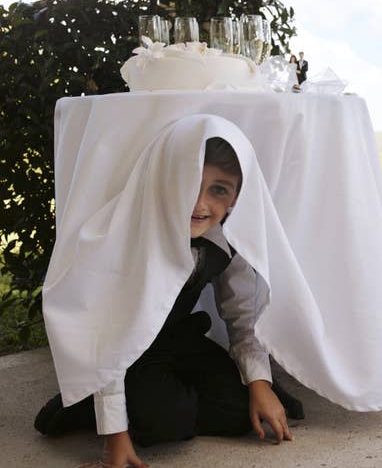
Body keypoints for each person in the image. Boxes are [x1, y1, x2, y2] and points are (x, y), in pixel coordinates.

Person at [35, 117, 303, 467]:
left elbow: (242, 314)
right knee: (166, 422)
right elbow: (106, 334)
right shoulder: (129, 235)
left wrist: (259, 381)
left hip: (178, 339)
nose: (200, 205)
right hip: (126, 349)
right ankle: (90, 402)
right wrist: (115, 433)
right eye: (189, 183)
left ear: (238, 195)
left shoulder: (227, 239)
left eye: (219, 190)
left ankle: (160, 401)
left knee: (250, 407)